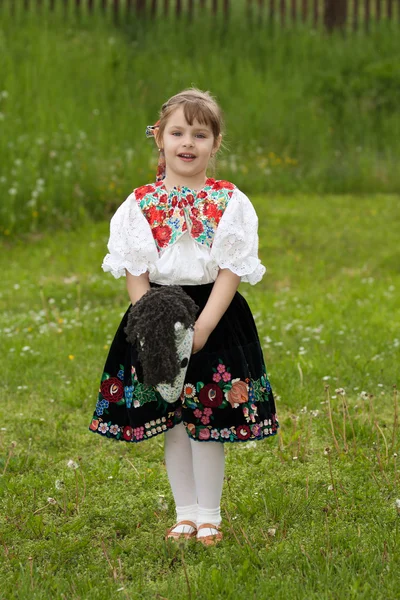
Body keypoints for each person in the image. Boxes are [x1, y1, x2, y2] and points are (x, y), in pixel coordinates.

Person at [88, 88, 279, 546]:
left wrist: (204, 328)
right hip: (158, 316)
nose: (187, 142)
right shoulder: (140, 203)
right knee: (174, 420)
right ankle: (186, 514)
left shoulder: (229, 201)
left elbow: (231, 269)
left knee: (207, 418)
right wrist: (151, 323)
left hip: (213, 314)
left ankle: (211, 516)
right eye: (177, 132)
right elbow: (135, 270)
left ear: (215, 142)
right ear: (159, 138)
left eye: (199, 133)